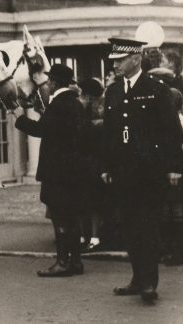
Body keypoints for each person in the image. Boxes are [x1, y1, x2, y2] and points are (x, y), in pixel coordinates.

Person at [100, 37, 183, 303]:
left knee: (147, 226)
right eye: (113, 61)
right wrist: (107, 166)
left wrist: (173, 168)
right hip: (124, 172)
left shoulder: (156, 90)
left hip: (150, 171)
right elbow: (109, 134)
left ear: (135, 59)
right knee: (130, 225)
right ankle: (137, 279)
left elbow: (171, 132)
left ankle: (149, 282)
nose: (115, 65)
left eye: (120, 60)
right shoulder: (113, 92)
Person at [14, 64, 90, 277]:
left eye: (49, 81)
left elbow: (40, 130)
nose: (47, 84)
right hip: (74, 171)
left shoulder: (58, 105)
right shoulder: (76, 103)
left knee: (60, 217)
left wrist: (19, 117)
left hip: (57, 172)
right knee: (73, 217)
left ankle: (62, 262)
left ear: (54, 82)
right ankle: (75, 261)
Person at [77, 77, 106, 252]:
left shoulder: (98, 112)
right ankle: (84, 236)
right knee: (83, 199)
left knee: (94, 199)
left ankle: (93, 236)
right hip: (85, 159)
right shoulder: (81, 109)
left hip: (93, 159)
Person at [160, 87, 183, 266]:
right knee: (173, 210)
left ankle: (177, 251)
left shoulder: (178, 122)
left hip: (176, 171)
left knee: (175, 211)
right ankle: (175, 249)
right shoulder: (180, 120)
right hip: (178, 169)